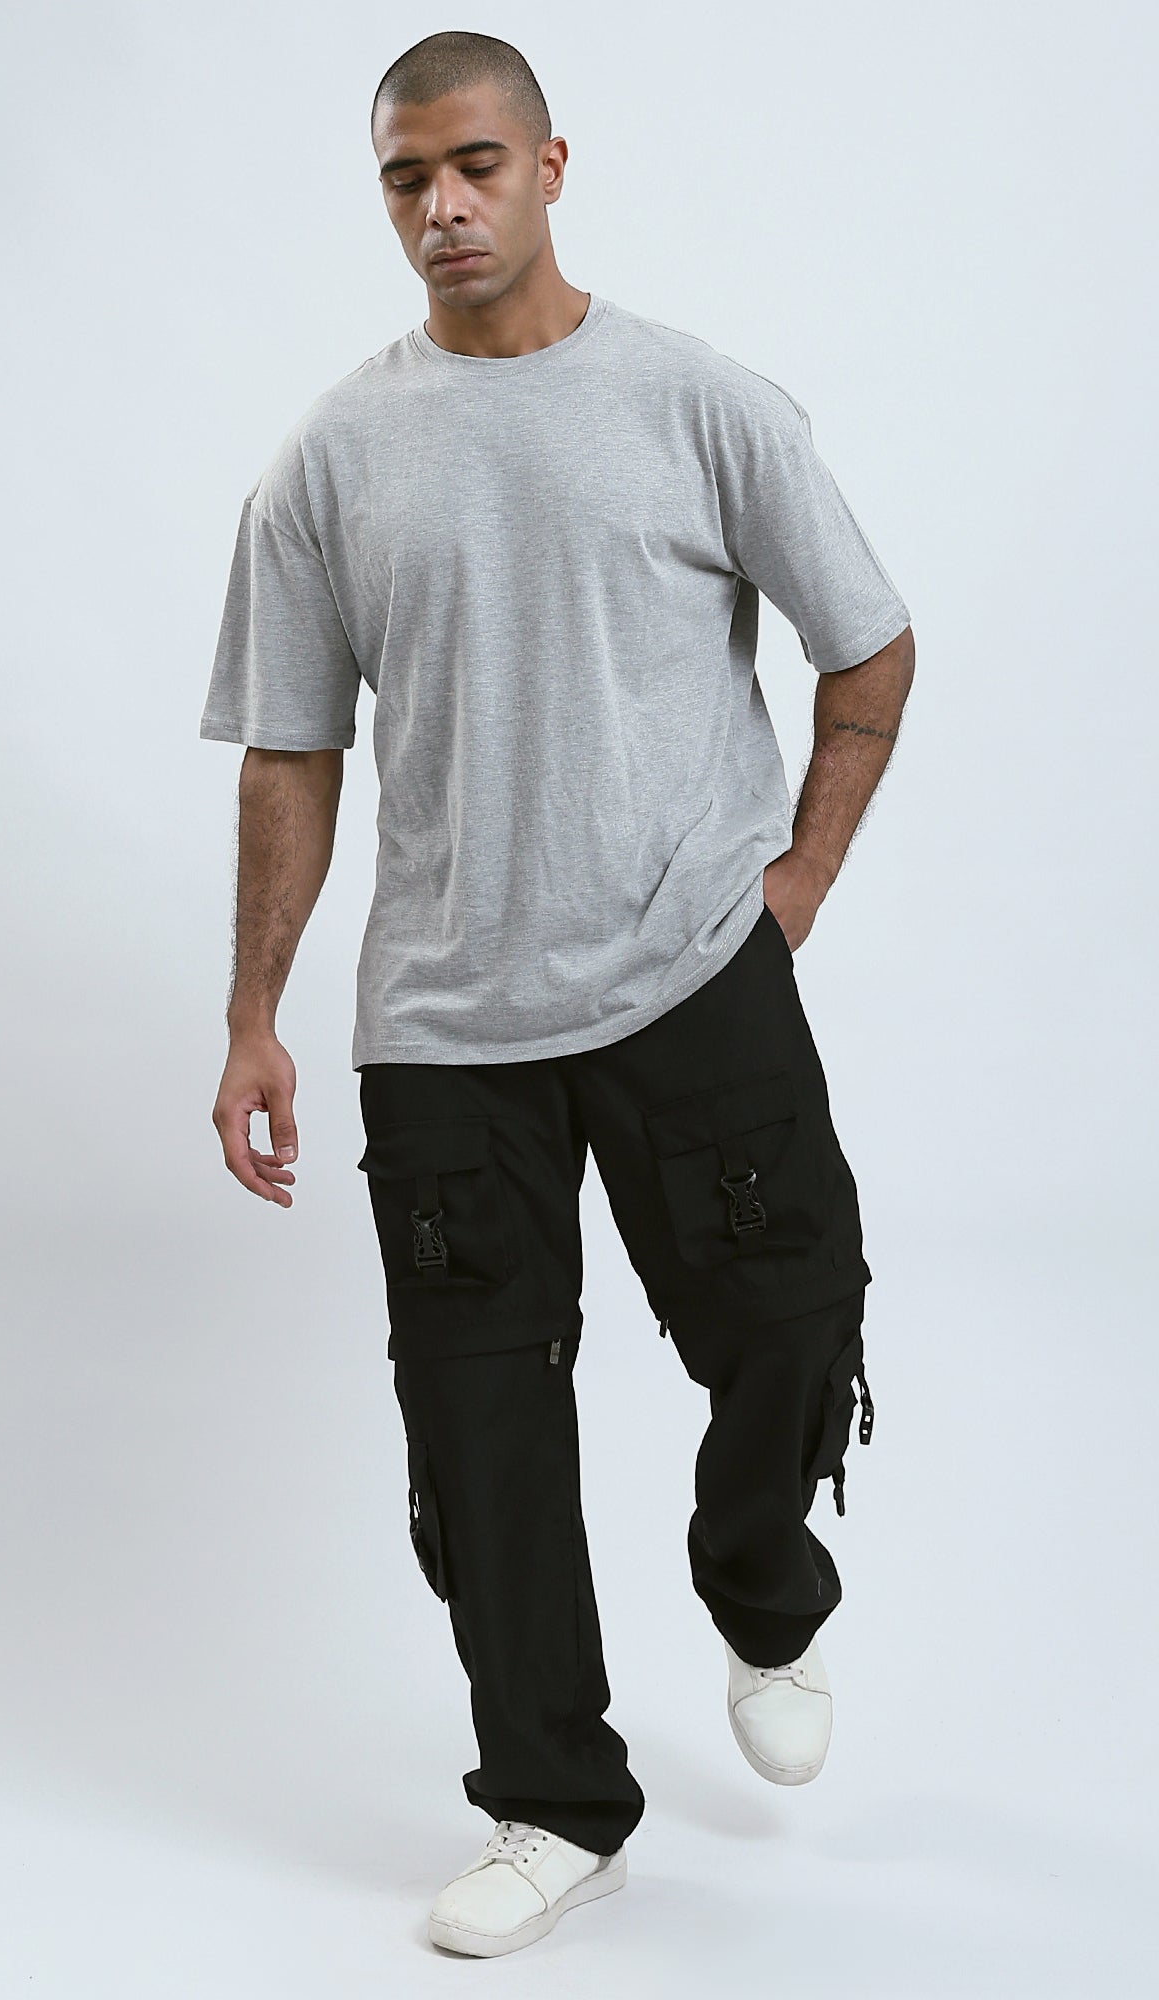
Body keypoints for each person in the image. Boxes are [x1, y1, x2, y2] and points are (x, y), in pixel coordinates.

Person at [200, 29, 915, 1962]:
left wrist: (796, 883)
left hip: (692, 971)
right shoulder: (332, 458)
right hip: (447, 1025)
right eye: (405, 178)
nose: (443, 206)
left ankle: (759, 1578)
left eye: (476, 165)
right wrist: (256, 1012)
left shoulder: (695, 403)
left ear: (551, 166)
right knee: (479, 1428)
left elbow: (870, 646)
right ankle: (553, 1802)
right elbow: (289, 751)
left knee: (793, 1317)